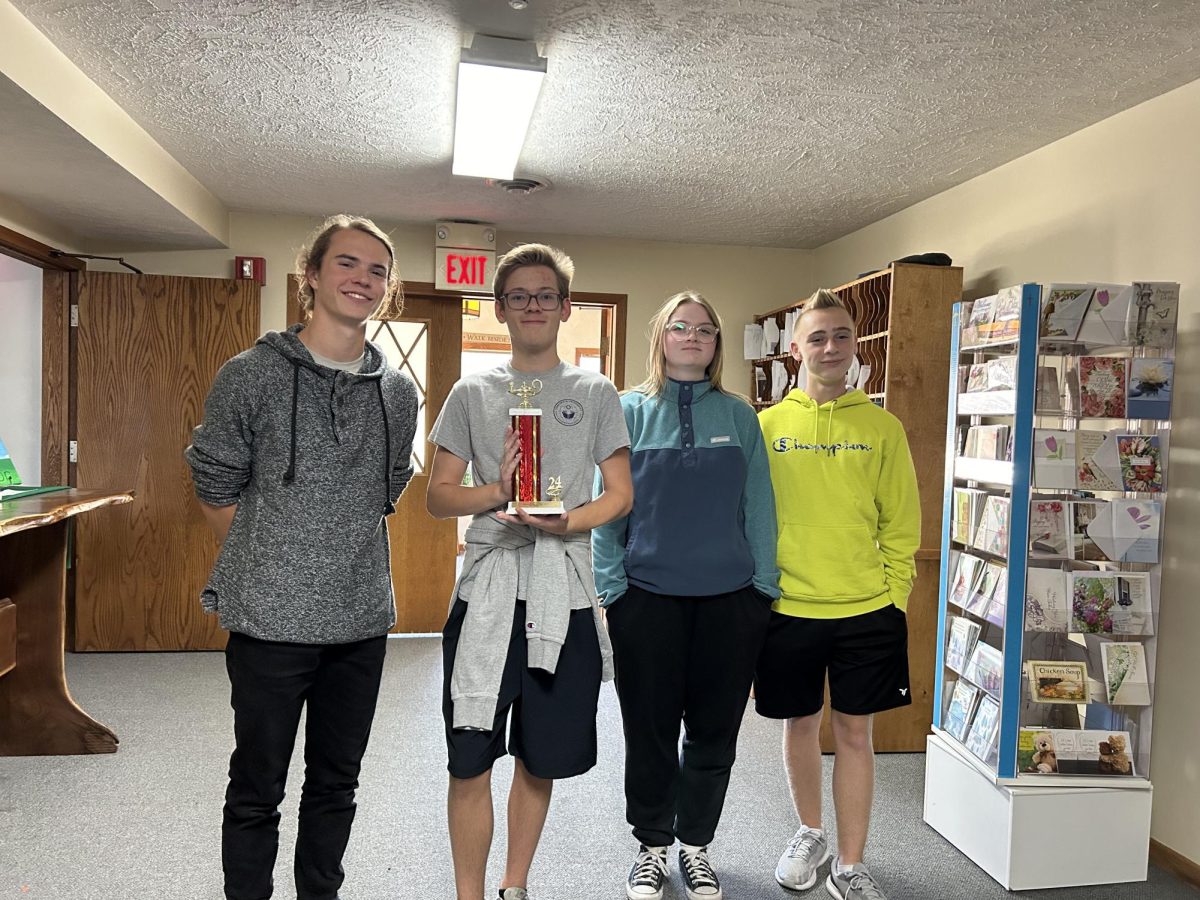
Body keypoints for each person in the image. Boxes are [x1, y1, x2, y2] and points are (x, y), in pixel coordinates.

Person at [185, 214, 419, 900]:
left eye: (377, 270)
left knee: (336, 785)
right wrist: (278, 553)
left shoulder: (397, 393)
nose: (363, 279)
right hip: (269, 622)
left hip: (361, 620)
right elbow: (214, 487)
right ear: (311, 275)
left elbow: (387, 489)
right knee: (258, 785)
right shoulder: (250, 376)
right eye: (347, 263)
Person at [426, 242, 633, 900]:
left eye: (546, 295)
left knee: (539, 755)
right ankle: (470, 893)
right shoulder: (472, 390)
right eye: (520, 296)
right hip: (489, 589)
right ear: (502, 308)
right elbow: (437, 496)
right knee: (470, 757)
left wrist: (568, 522)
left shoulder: (595, 392)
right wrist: (497, 492)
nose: (534, 306)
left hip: (560, 593)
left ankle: (514, 885)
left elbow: (620, 493)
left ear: (566, 308)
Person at [593, 291, 779, 900]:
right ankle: (651, 846)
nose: (694, 337)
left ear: (716, 343)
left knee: (713, 731)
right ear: (662, 338)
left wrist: (762, 590)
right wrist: (612, 589)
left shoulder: (739, 416)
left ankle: (695, 846)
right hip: (645, 598)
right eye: (682, 327)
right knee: (648, 728)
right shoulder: (628, 412)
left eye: (705, 329)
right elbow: (609, 510)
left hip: (731, 602)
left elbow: (759, 508)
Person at [755, 289, 919, 900]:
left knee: (856, 733)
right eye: (817, 337)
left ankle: (850, 863)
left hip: (866, 610)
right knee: (800, 725)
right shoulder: (766, 426)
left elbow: (900, 521)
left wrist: (893, 595)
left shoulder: (881, 427)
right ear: (795, 348)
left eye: (841, 336)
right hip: (788, 607)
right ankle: (810, 833)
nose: (830, 347)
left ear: (854, 346)